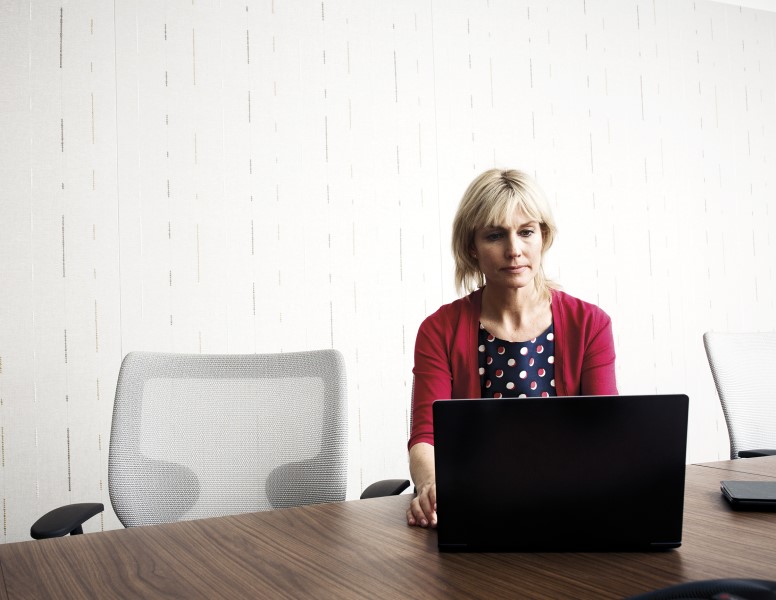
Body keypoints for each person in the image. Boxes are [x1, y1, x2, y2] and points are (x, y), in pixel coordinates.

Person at [406, 168, 618, 528]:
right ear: (471, 246)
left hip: (570, 505)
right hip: (474, 507)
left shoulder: (591, 323)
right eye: (495, 235)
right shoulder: (438, 329)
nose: (514, 250)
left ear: (543, 237)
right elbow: (426, 436)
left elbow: (606, 433)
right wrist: (431, 485)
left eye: (526, 232)